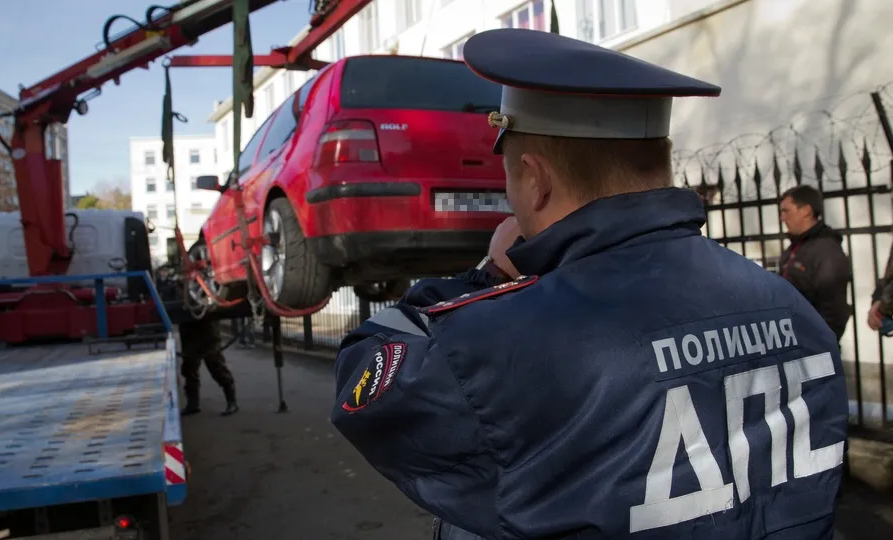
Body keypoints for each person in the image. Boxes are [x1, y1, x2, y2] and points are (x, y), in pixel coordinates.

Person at [329, 29, 848, 539]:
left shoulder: (512, 342)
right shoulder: (793, 309)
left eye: (509, 178)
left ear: (536, 179)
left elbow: (362, 387)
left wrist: (487, 278)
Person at [778, 185, 852, 340]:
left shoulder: (825, 249)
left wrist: (817, 343)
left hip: (812, 348)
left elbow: (834, 309)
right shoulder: (796, 247)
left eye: (786, 211)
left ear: (805, 211)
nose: (782, 218)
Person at [179, 318, 239, 417]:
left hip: (207, 325)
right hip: (188, 327)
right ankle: (192, 404)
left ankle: (231, 401)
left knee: (216, 365)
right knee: (189, 367)